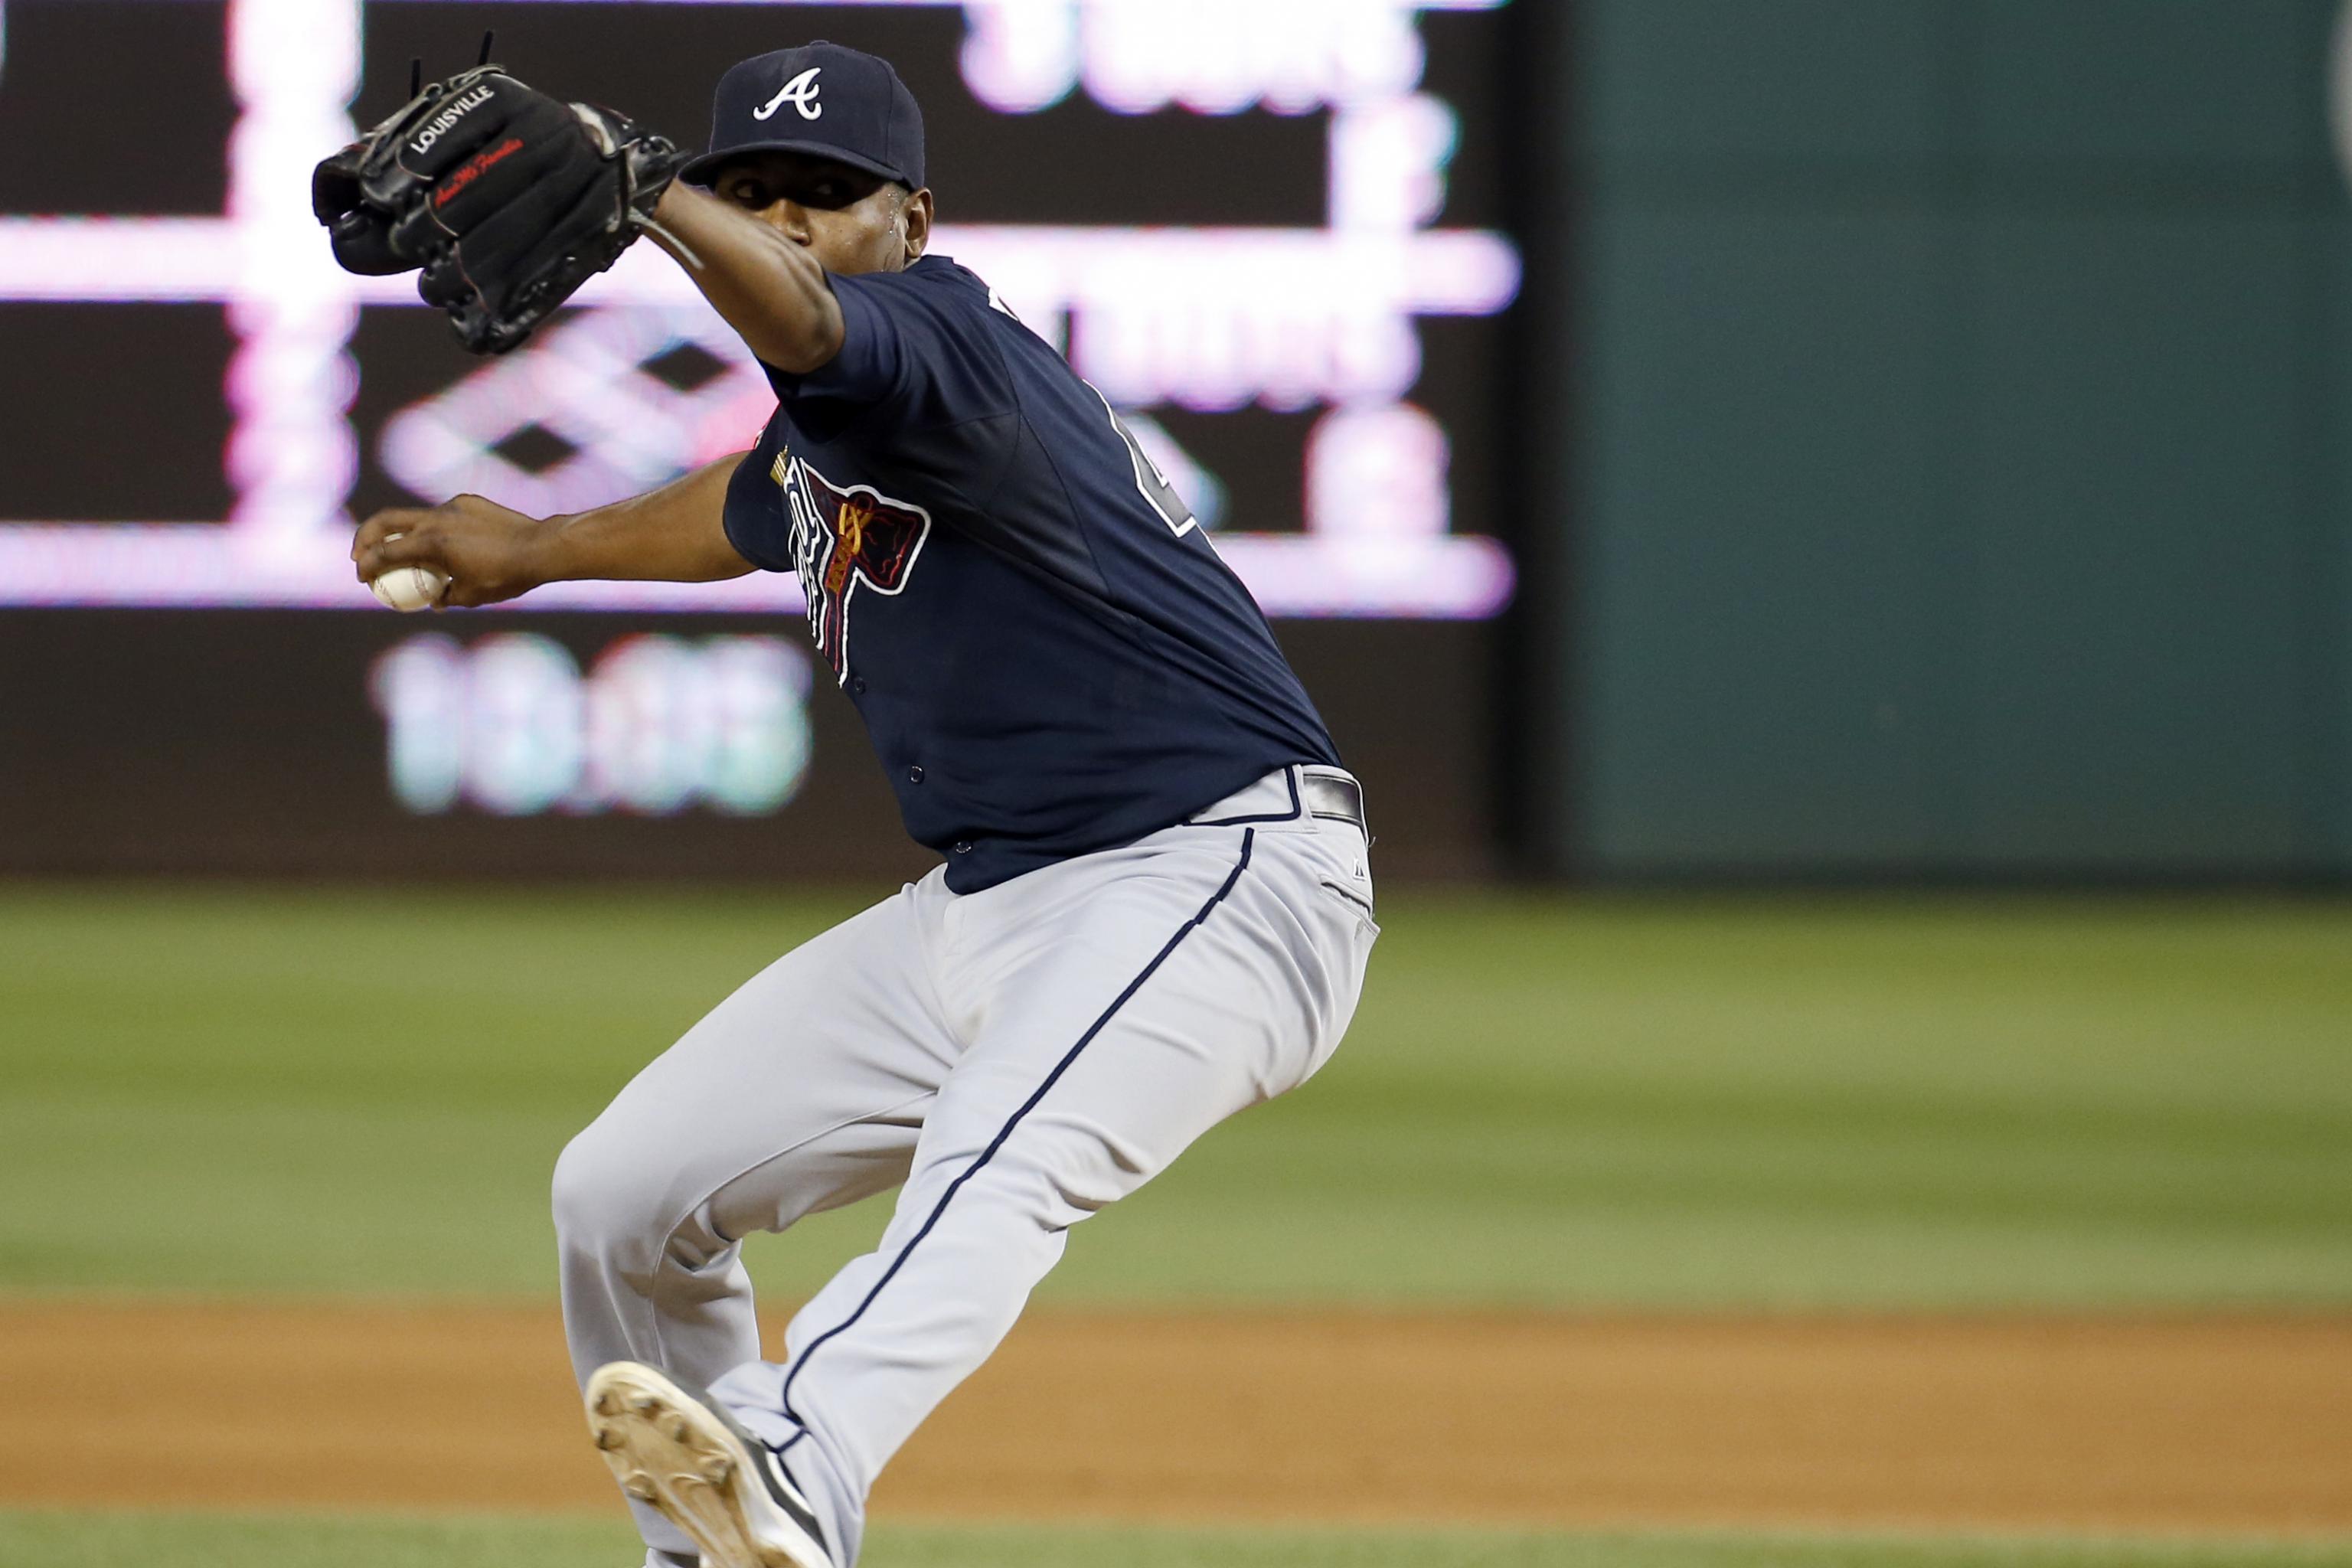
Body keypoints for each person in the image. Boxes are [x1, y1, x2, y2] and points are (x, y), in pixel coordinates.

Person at [351, 41, 1379, 1568]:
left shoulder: (940, 339)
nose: (786, 221)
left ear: (913, 217)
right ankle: (717, 1552)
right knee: (621, 1196)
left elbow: (818, 323)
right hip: (994, 900)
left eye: (825, 196)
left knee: (1000, 1151)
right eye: (752, 188)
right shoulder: (839, 425)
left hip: (1222, 869)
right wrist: (539, 547)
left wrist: (660, 193)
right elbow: (749, 502)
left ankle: (797, 1460)